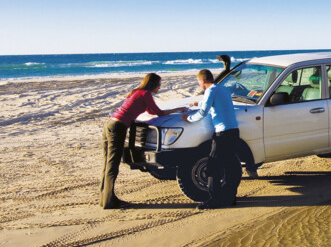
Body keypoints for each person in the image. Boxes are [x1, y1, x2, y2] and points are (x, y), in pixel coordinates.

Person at [102, 73, 187, 209]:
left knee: (108, 163)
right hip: (118, 127)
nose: (160, 87)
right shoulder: (145, 94)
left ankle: (105, 198)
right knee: (113, 164)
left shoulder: (137, 92)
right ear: (153, 84)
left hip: (110, 124)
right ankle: (109, 201)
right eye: (159, 84)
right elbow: (159, 113)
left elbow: (150, 110)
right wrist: (179, 109)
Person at [182, 69, 241, 209]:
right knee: (230, 166)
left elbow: (203, 112)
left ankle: (214, 199)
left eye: (198, 82)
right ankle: (230, 197)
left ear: (202, 80)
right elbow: (214, 104)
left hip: (223, 133)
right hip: (233, 131)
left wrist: (189, 118)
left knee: (212, 166)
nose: (199, 85)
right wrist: (197, 103)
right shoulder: (222, 88)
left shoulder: (210, 91)